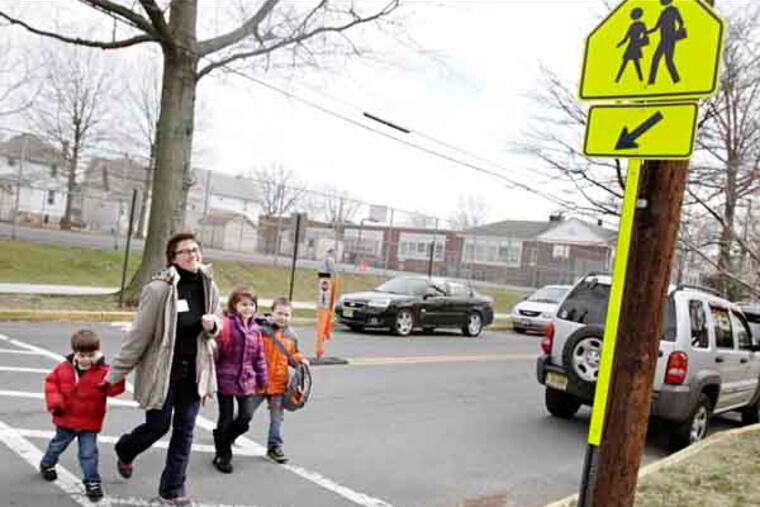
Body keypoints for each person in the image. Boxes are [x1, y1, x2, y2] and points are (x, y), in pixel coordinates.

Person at [103, 232, 222, 506]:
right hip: (163, 372)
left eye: (195, 249)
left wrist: (213, 326)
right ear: (173, 258)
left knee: (185, 431)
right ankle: (125, 448)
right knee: (157, 426)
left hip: (194, 372)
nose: (193, 255)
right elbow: (138, 336)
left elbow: (219, 319)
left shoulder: (209, 285)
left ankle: (171, 491)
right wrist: (114, 374)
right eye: (185, 251)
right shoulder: (158, 289)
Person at [40, 329, 125, 502]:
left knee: (88, 453)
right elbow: (51, 384)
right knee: (58, 445)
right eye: (82, 354)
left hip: (89, 422)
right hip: (66, 418)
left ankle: (92, 482)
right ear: (75, 352)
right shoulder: (64, 368)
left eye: (90, 355)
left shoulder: (104, 371)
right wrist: (55, 403)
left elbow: (115, 390)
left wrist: (118, 375)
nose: (86, 359)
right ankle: (47, 463)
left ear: (97, 352)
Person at [212, 286, 268, 474]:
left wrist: (263, 379)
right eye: (243, 304)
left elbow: (259, 356)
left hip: (247, 380)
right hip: (225, 380)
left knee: (245, 418)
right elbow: (216, 351)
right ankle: (223, 455)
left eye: (252, 304)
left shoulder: (255, 329)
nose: (248, 308)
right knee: (225, 419)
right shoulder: (226, 324)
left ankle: (222, 438)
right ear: (234, 305)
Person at [253, 297, 309, 464]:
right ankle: (228, 432)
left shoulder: (291, 335)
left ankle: (274, 447)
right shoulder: (260, 329)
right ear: (272, 312)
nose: (283, 317)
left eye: (287, 314)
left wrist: (301, 360)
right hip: (259, 382)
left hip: (279, 384)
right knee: (246, 414)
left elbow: (292, 356)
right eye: (279, 313)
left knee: (276, 418)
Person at [648, 0, 685, 85]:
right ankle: (651, 82)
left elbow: (681, 22)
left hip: (670, 39)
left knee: (668, 60)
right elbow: (656, 27)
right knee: (656, 59)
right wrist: (647, 32)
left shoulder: (674, 10)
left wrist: (677, 32)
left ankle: (676, 81)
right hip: (663, 39)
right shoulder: (663, 12)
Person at [615, 7, 649, 83]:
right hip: (631, 46)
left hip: (635, 46)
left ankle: (641, 80)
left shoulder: (642, 24)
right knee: (626, 63)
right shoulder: (632, 25)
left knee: (636, 64)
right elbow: (626, 38)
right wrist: (619, 44)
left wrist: (640, 43)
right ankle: (617, 80)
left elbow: (646, 36)